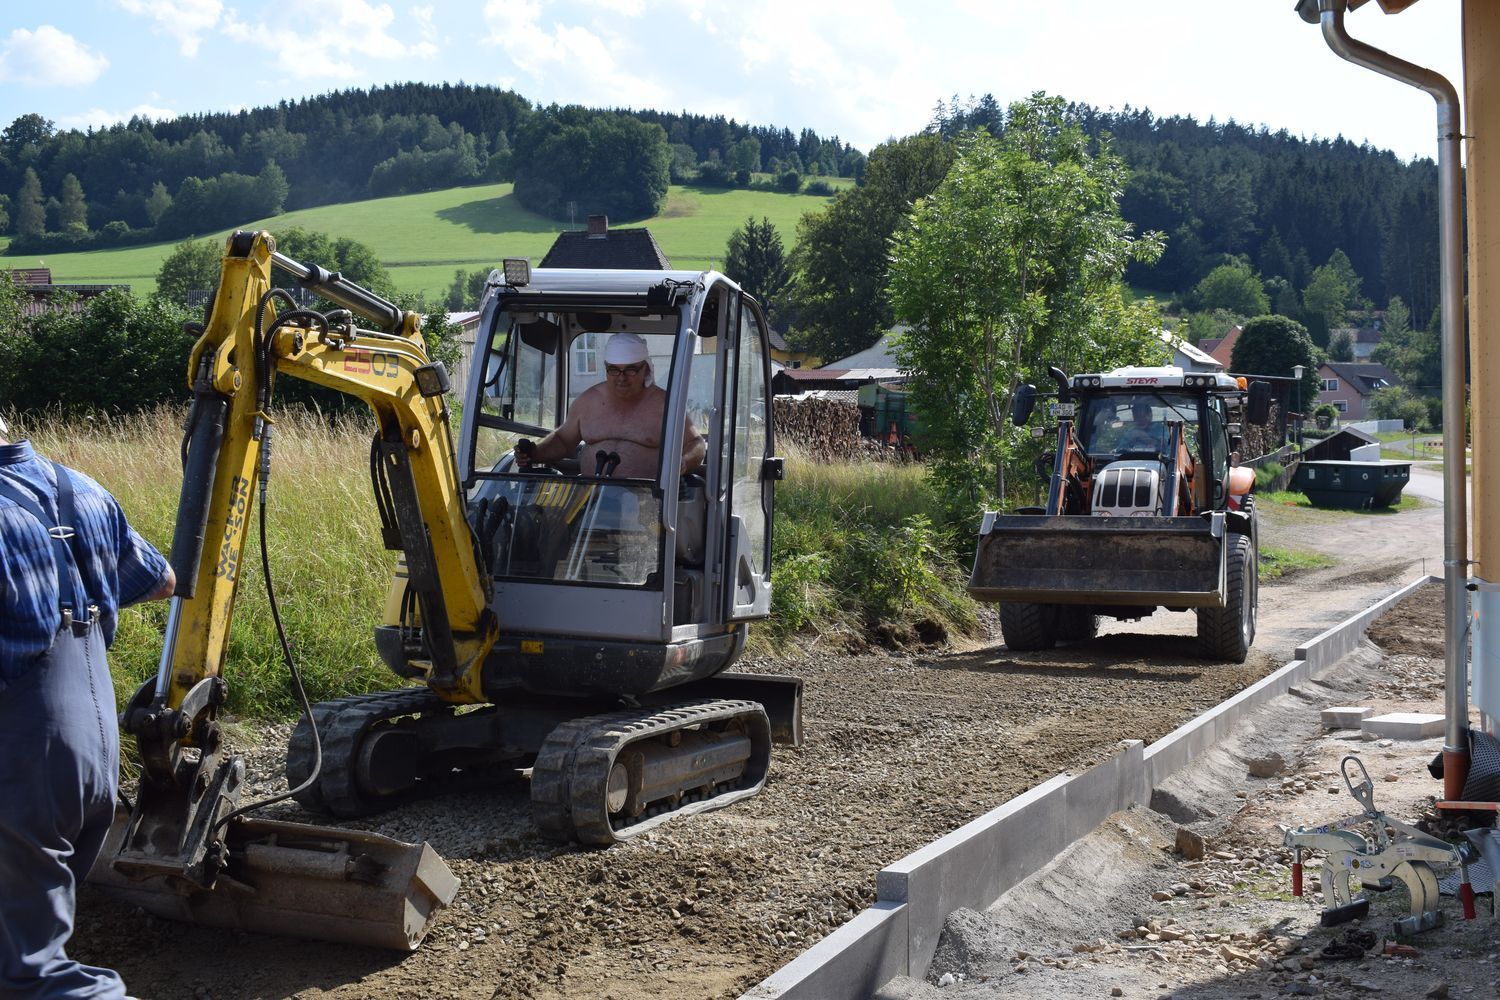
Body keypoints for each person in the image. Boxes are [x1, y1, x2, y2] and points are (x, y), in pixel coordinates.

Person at [0, 414, 174, 999]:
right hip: (93, 749)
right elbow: (162, 579)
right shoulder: (83, 490)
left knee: (29, 973)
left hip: (23, 753)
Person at [514, 331, 707, 480]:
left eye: (630, 370)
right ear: (606, 368)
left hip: (647, 506)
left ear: (646, 368)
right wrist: (535, 453)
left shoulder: (665, 405)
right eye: (614, 370)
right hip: (590, 500)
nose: (621, 378)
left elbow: (696, 444)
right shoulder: (587, 401)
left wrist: (683, 462)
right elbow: (563, 441)